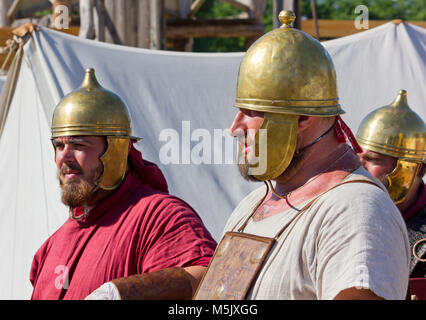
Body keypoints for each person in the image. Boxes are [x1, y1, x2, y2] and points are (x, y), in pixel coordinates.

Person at [193, 11, 409, 300]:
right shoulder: (252, 205)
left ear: (303, 117)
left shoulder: (356, 211)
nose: (235, 128)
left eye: (253, 112)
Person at [30, 68, 216, 300]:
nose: (64, 157)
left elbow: (208, 280)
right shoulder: (51, 247)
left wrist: (125, 293)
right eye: (59, 146)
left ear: (116, 150)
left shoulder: (161, 218)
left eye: (79, 144)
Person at [356, 90, 426, 299]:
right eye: (357, 157)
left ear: (412, 168)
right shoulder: (338, 212)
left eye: (374, 159)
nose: (359, 168)